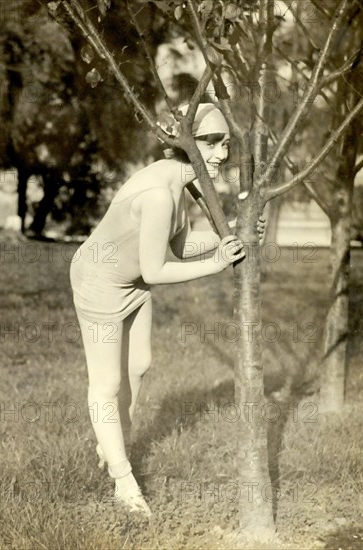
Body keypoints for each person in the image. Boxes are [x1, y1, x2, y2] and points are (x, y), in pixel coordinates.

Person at [69, 103, 245, 517]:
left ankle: (110, 442)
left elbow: (180, 246)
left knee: (140, 365)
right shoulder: (157, 193)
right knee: (107, 383)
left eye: (225, 143)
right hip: (99, 284)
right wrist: (218, 263)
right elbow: (157, 268)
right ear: (182, 142)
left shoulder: (178, 186)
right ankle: (123, 479)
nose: (221, 153)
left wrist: (229, 238)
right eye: (211, 143)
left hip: (132, 285)